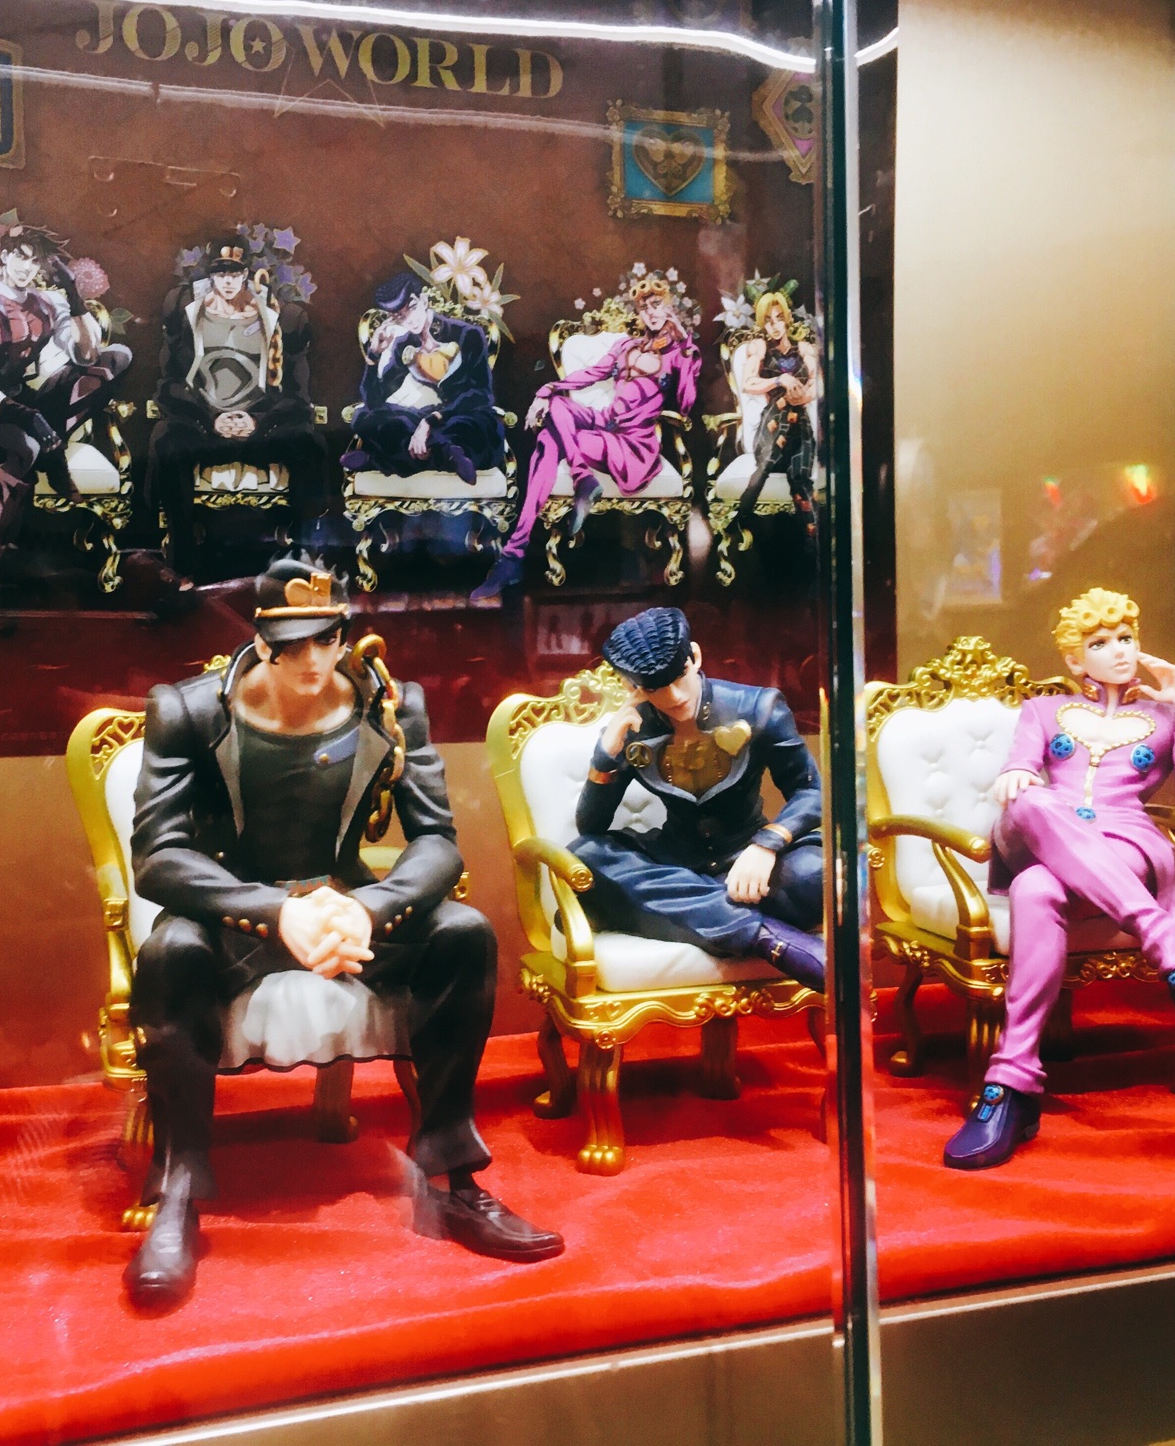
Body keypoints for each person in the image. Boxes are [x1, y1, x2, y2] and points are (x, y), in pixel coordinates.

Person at [123, 555, 562, 1306]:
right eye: (291, 644)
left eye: (325, 639)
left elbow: (437, 842)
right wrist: (275, 913)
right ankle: (177, 1194)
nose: (311, 659)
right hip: (239, 912)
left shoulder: (388, 705)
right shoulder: (190, 711)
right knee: (170, 952)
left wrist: (370, 908)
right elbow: (158, 857)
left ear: (344, 635)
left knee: (462, 932)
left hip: (345, 899)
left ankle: (456, 1180)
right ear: (260, 642)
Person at [943, 588, 1175, 1171]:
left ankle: (1011, 1087)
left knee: (1035, 890)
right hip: (1039, 831)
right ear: (1075, 659)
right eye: (1101, 642)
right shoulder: (1042, 710)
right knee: (1032, 801)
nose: (1120, 650)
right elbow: (1020, 769)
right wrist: (1017, 772)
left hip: (1125, 846)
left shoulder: (1162, 717)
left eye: (1126, 637)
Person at [567, 607, 824, 989]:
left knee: (820, 873)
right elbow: (591, 825)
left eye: (679, 676)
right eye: (654, 688)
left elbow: (810, 790)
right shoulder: (633, 728)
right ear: (632, 687)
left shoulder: (759, 707)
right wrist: (606, 754)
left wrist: (766, 844)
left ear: (696, 656)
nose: (673, 696)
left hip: (747, 863)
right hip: (676, 863)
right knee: (586, 855)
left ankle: (687, 916)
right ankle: (762, 936)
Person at [472, 275, 700, 602]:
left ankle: (514, 556)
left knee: (549, 440)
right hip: (606, 423)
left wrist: (686, 345)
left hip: (634, 445)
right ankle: (576, 485)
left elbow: (686, 403)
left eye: (657, 305)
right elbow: (591, 375)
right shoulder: (626, 346)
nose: (651, 312)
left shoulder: (679, 354)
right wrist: (547, 389)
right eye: (644, 307)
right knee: (556, 408)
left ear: (669, 307)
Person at [0, 222, 131, 565]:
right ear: (4, 256)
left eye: (34, 261)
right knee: (26, 447)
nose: (26, 268)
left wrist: (73, 296)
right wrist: (28, 417)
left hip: (30, 404)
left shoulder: (47, 302)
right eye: (20, 257)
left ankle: (50, 444)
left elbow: (87, 356)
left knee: (117, 357)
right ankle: (5, 551)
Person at [146, 235, 323, 578]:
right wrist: (211, 419)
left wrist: (257, 421)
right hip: (204, 428)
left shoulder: (280, 317)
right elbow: (168, 387)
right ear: (211, 275)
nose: (227, 280)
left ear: (246, 274)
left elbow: (298, 398)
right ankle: (182, 563)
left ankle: (302, 559)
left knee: (309, 443)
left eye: (234, 273)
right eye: (220, 272)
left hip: (259, 429)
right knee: (165, 438)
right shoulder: (186, 313)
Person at [340, 271, 507, 485]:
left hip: (459, 415)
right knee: (364, 417)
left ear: (424, 301)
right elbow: (374, 401)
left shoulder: (468, 334)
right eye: (398, 316)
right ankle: (445, 454)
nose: (408, 319)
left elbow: (481, 394)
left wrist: (431, 421)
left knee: (478, 426)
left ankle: (379, 460)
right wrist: (374, 356)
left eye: (411, 307)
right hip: (418, 420)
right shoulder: (403, 345)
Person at [726, 288, 820, 516]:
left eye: (778, 318)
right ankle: (745, 511)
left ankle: (809, 534)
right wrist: (779, 380)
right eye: (768, 320)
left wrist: (803, 396)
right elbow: (748, 383)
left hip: (799, 430)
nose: (774, 325)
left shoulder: (804, 348)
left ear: (787, 319)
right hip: (771, 427)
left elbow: (818, 383)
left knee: (799, 476)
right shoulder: (760, 347)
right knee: (771, 451)